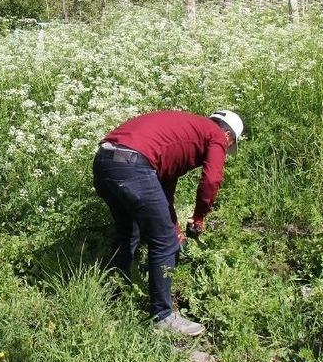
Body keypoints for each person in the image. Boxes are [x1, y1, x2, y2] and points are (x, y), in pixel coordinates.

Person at [92, 109, 244, 336]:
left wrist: (175, 228)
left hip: (105, 161)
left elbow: (162, 191)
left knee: (129, 230)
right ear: (229, 136)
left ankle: (111, 293)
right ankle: (162, 317)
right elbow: (212, 180)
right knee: (163, 241)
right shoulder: (216, 135)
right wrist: (199, 216)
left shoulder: (185, 129)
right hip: (134, 165)